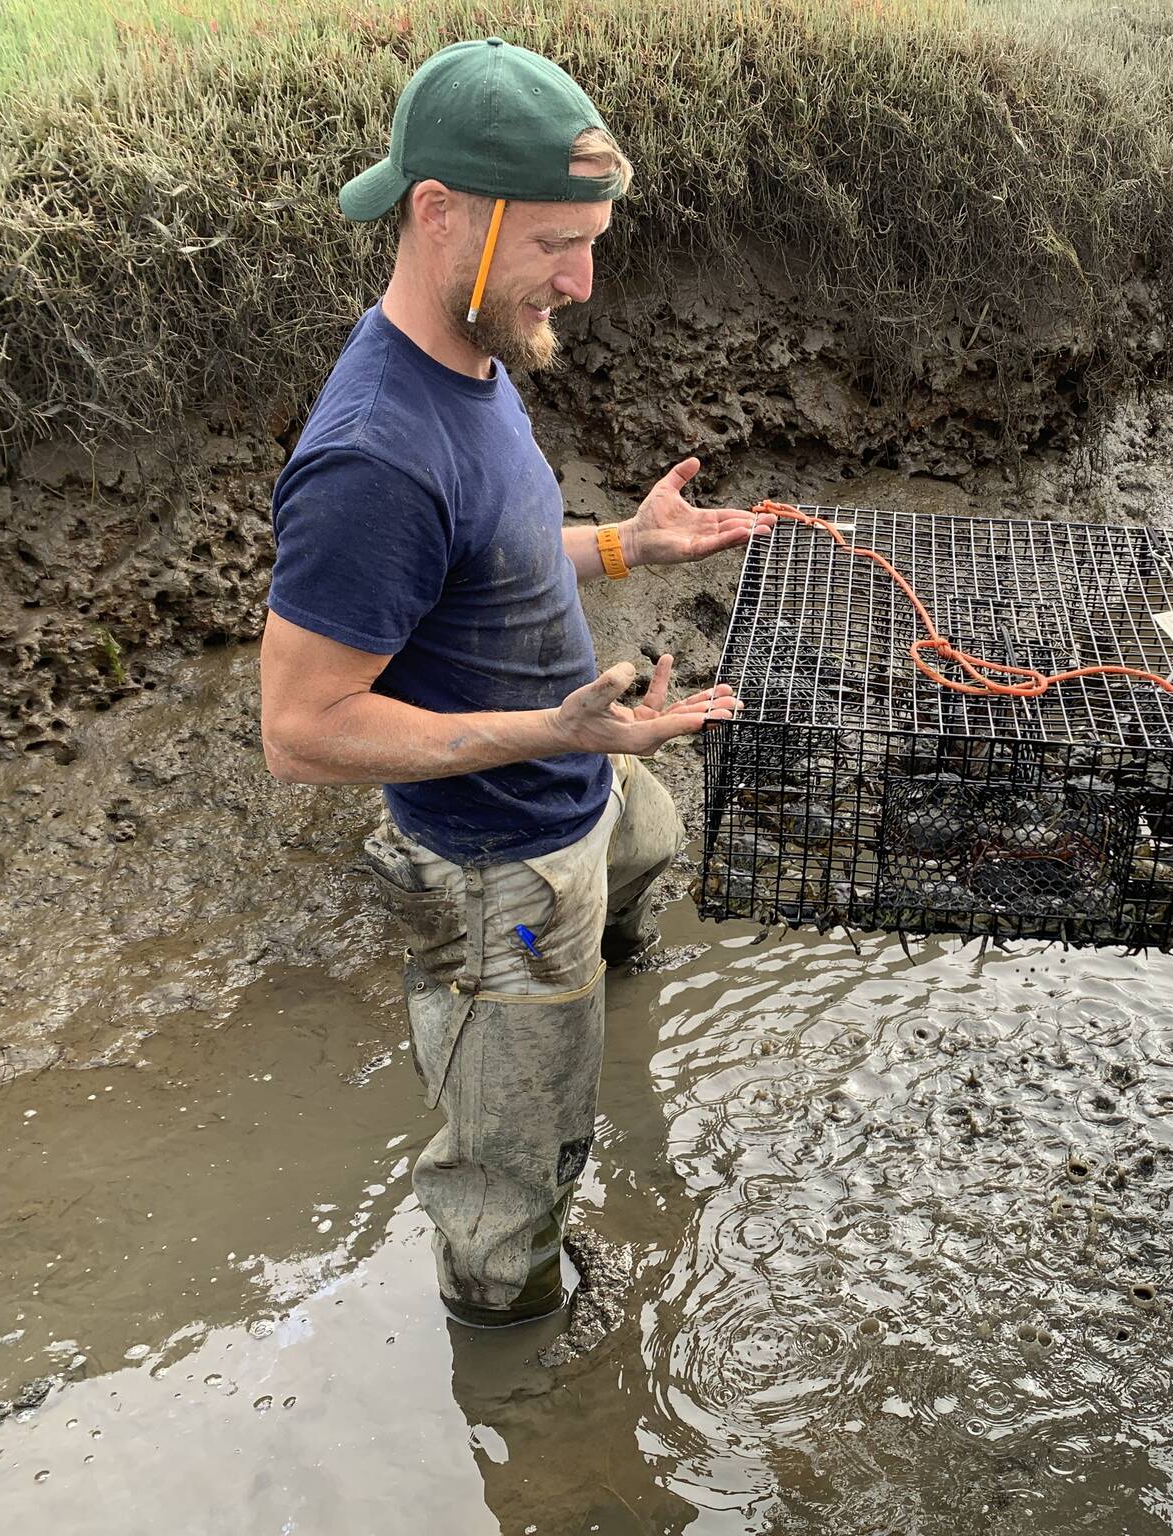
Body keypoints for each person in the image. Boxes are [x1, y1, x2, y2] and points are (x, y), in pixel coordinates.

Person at [259, 38, 770, 1328]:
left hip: (581, 774)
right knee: (513, 1170)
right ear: (440, 212)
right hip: (498, 866)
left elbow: (491, 547)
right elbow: (302, 731)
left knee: (648, 848)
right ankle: (513, 1355)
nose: (583, 282)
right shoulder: (370, 460)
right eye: (555, 243)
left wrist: (627, 545)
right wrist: (552, 728)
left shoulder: (473, 355)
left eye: (591, 242)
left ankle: (603, 997)